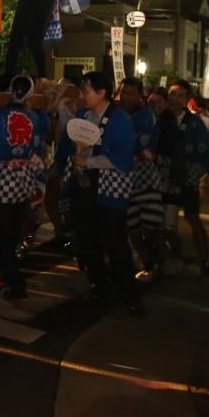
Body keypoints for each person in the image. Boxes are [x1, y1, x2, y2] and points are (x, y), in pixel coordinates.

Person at [62, 71, 142, 314]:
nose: (83, 95)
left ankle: (129, 294)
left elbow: (123, 158)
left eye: (87, 90)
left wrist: (89, 162)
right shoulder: (85, 115)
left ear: (102, 93)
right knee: (87, 238)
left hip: (109, 188)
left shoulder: (119, 119)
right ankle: (100, 285)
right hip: (86, 186)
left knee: (115, 241)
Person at [0, 75, 48, 302]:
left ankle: (16, 281)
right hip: (24, 178)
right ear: (28, 95)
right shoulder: (35, 118)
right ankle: (7, 269)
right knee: (15, 229)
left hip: (3, 177)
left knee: (2, 233)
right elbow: (38, 147)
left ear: (10, 90)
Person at [157, 79, 209, 277]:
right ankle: (173, 257)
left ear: (187, 99)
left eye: (180, 95)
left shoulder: (194, 122)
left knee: (193, 218)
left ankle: (205, 260)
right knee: (166, 223)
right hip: (165, 178)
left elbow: (207, 149)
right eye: (173, 94)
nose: (175, 98)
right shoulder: (159, 117)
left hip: (188, 178)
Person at [118, 77, 163, 281]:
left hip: (145, 177)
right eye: (123, 92)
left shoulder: (146, 116)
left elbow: (145, 147)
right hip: (121, 179)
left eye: (131, 93)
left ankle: (156, 259)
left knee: (151, 223)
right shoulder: (114, 113)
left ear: (139, 95)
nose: (126, 96)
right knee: (131, 226)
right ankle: (148, 263)